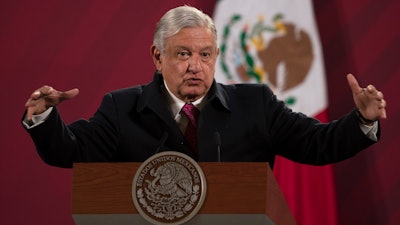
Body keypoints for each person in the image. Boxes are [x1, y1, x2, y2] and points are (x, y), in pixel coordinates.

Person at [22, 5, 386, 169]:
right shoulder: (121, 108)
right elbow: (70, 152)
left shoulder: (254, 103)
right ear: (157, 56)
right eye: (182, 54)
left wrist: (362, 121)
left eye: (205, 54)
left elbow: (316, 144)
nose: (195, 65)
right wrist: (45, 117)